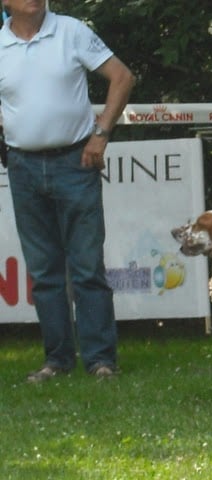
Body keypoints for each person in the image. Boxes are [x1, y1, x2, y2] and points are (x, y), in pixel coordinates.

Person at [0, 1, 135, 382]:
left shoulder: (71, 31)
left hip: (76, 162)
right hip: (23, 167)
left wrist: (101, 134)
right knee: (43, 271)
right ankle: (57, 360)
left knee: (86, 266)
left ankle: (100, 360)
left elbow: (122, 76)